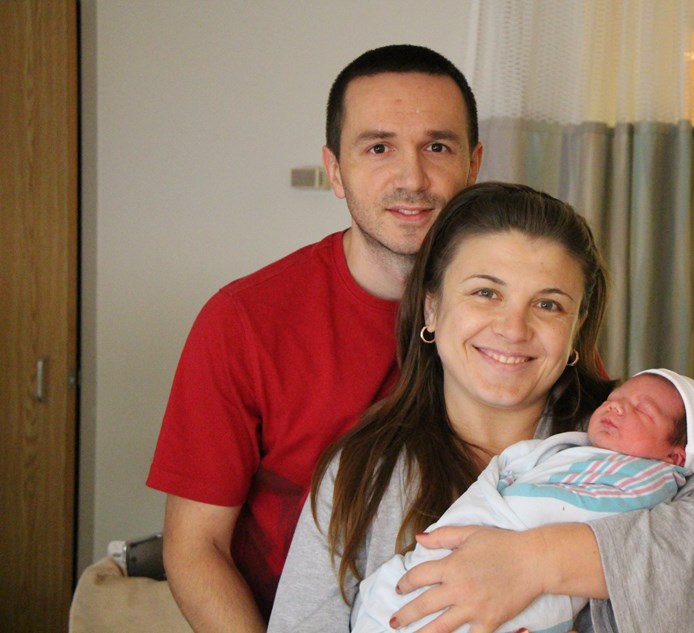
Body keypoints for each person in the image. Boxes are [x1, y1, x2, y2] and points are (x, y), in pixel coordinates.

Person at [268, 182, 694, 633]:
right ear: (431, 307)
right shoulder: (362, 472)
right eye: (486, 292)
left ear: (576, 328)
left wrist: (533, 562)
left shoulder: (625, 441)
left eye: (548, 304)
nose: (513, 329)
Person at [146, 44, 483, 631]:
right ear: (335, 170)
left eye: (437, 147)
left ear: (474, 165)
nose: (412, 178)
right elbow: (197, 547)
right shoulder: (244, 320)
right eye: (378, 148)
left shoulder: (522, 319)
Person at [349, 368, 694, 633]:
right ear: (431, 309)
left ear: (675, 457)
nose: (617, 406)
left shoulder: (654, 481)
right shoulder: (369, 461)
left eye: (642, 410)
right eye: (616, 398)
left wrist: (534, 559)